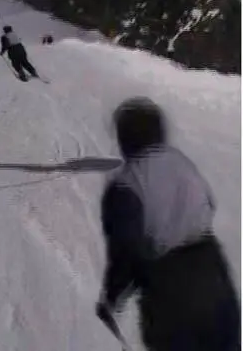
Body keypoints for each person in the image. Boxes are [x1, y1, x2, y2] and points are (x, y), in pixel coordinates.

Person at [97, 96, 240, 351]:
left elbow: (127, 250)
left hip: (169, 291)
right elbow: (208, 203)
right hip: (214, 273)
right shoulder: (181, 163)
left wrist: (111, 297)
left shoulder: (126, 184)